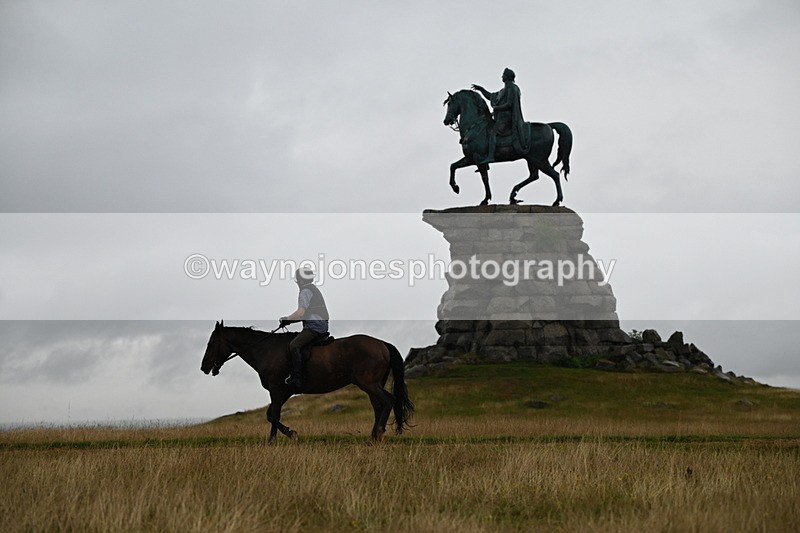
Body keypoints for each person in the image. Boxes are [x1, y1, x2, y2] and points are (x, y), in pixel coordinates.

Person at [279, 267, 330, 388]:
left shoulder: (305, 291)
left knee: (294, 345)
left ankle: (297, 378)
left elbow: (301, 313)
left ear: (300, 281)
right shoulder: (313, 289)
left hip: (315, 326)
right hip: (321, 324)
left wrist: (286, 319)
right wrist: (289, 321)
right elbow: (304, 315)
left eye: (297, 281)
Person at [471, 67, 531, 161]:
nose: (501, 77)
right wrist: (481, 89)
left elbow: (509, 104)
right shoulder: (503, 90)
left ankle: (491, 156)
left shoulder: (512, 88)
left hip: (507, 118)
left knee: (492, 132)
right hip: (500, 118)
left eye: (503, 75)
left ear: (507, 77)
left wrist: (497, 108)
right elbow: (491, 96)